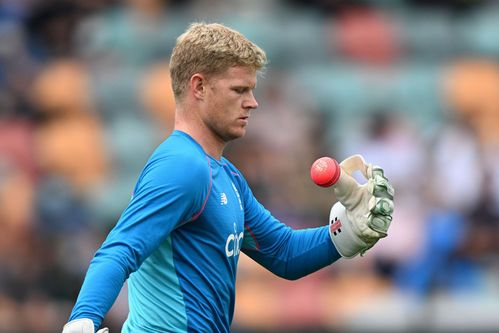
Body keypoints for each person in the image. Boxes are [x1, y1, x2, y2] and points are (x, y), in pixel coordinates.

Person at [62, 22, 394, 333]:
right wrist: (82, 322)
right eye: (239, 89)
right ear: (199, 86)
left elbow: (284, 253)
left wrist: (347, 232)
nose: (252, 102)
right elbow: (119, 250)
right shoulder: (181, 167)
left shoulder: (226, 176)